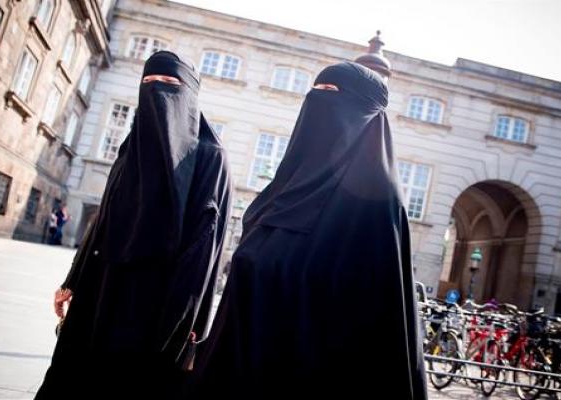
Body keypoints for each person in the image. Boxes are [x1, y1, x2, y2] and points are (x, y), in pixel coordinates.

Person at [191, 61, 428, 399]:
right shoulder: (280, 192)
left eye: (334, 95)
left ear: (365, 113)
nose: (319, 103)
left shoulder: (376, 204)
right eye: (316, 92)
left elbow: (378, 329)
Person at [35, 51, 232, 398]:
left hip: (156, 304)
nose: (158, 92)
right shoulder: (130, 150)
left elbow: (204, 246)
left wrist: (184, 320)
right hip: (101, 288)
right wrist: (74, 278)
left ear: (190, 95)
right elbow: (104, 218)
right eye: (149, 83)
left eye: (170, 84)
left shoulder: (209, 157)